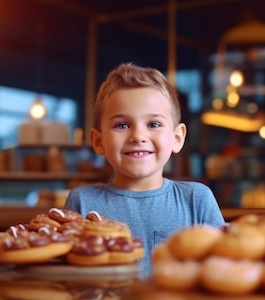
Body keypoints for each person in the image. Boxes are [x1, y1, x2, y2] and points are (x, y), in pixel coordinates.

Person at [64, 62, 225, 276]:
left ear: (177, 138)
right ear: (99, 141)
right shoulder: (82, 202)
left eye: (153, 124)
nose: (138, 136)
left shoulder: (197, 199)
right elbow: (68, 277)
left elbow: (224, 269)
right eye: (122, 125)